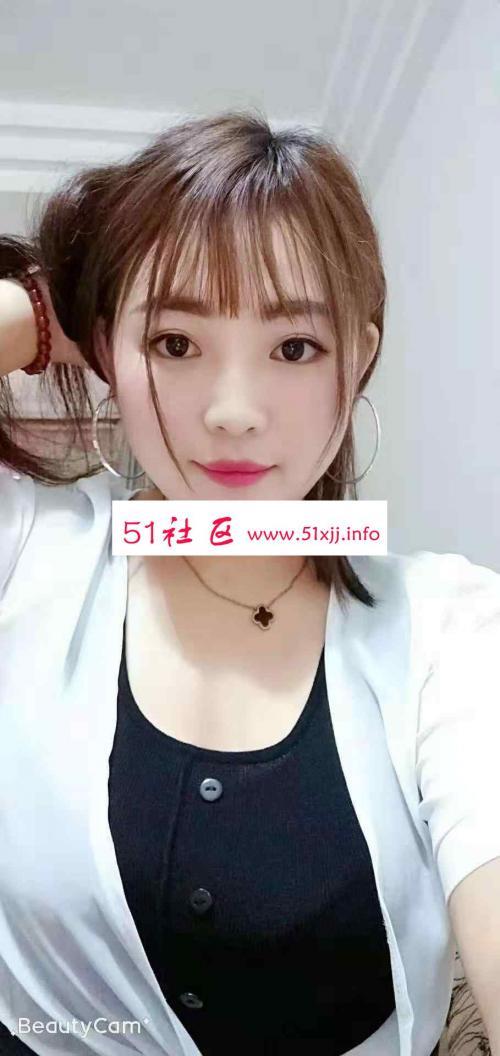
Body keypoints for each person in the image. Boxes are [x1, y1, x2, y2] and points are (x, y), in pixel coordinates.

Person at [0, 111, 499, 1056]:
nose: (233, 413)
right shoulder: (27, 554)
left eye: (295, 348)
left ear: (360, 359)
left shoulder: (451, 629)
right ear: (107, 351)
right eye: (175, 344)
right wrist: (41, 312)